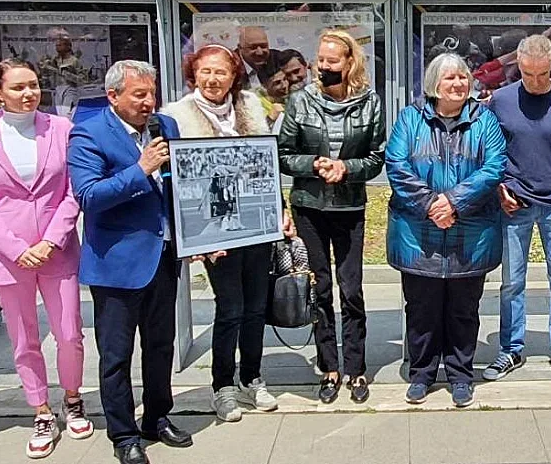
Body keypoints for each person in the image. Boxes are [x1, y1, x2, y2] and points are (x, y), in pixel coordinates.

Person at [0, 59, 94, 459]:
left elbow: (73, 190)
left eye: (33, 85)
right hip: (8, 252)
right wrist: (17, 248)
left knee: (69, 331)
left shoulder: (62, 129)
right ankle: (39, 409)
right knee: (23, 339)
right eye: (18, 87)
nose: (28, 93)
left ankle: (72, 398)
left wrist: (51, 240)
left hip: (57, 246)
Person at [67, 60, 194, 464]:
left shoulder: (165, 128)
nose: (148, 102)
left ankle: (157, 416)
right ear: (113, 96)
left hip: (163, 255)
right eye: (139, 95)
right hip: (117, 264)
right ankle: (123, 434)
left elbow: (178, 185)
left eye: (151, 93)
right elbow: (88, 196)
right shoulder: (89, 134)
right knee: (117, 354)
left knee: (160, 346)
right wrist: (141, 169)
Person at [161, 44, 295, 423]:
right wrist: (196, 240)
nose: (213, 79)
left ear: (235, 75)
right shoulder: (177, 116)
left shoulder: (251, 106)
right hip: (212, 230)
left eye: (221, 71)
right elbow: (176, 184)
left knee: (256, 305)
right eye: (205, 71)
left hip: (255, 223)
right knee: (230, 307)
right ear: (193, 74)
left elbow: (266, 168)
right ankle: (222, 385)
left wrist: (280, 212)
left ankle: (252, 377)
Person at [385, 52, 506, 407]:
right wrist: (431, 206)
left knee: (463, 310)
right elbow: (397, 165)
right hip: (418, 234)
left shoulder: (485, 121)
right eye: (449, 78)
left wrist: (452, 202)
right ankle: (421, 373)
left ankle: (460, 374)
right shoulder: (410, 119)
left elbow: (494, 166)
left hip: (471, 233)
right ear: (433, 84)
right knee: (421, 309)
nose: (458, 84)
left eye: (463, 77)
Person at [278, 29, 386, 404]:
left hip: (350, 208)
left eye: (331, 61)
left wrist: (347, 168)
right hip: (309, 205)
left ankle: (356, 368)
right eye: (320, 60)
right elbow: (284, 152)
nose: (323, 66)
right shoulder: (300, 101)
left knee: (351, 289)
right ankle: (330, 367)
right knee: (320, 289)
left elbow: (376, 157)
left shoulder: (369, 102)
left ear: (349, 62)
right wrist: (314, 163)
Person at [482, 35, 551, 386]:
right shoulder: (501, 100)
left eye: (542, 74)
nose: (535, 82)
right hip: (515, 203)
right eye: (528, 74)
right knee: (512, 282)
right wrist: (498, 189)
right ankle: (511, 349)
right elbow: (488, 152)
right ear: (519, 67)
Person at [38, 28, 88, 119]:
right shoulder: (54, 60)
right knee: (59, 115)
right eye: (57, 45)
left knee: (66, 115)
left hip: (70, 89)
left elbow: (83, 79)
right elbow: (47, 74)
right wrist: (44, 68)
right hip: (57, 89)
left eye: (60, 45)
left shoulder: (74, 61)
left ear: (68, 46)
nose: (57, 47)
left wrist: (66, 74)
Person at [236, 26, 273, 91]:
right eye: (253, 47)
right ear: (240, 48)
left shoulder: (277, 61)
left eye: (263, 46)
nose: (260, 52)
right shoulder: (231, 69)